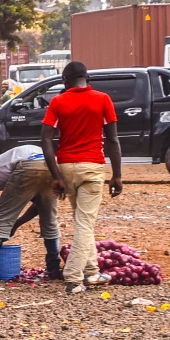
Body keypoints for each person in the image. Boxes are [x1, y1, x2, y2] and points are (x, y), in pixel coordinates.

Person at [39, 60, 122, 293]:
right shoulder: (103, 99)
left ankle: (92, 271)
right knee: (85, 222)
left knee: (82, 219)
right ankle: (73, 278)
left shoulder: (58, 101)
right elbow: (113, 140)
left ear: (65, 81)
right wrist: (117, 175)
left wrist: (56, 175)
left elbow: (46, 139)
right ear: (87, 79)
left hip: (66, 166)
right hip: (92, 167)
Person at [0, 143, 62, 282]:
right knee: (49, 220)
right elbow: (38, 206)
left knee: (0, 220)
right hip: (51, 165)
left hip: (28, 164)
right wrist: (17, 224)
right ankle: (54, 268)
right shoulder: (4, 168)